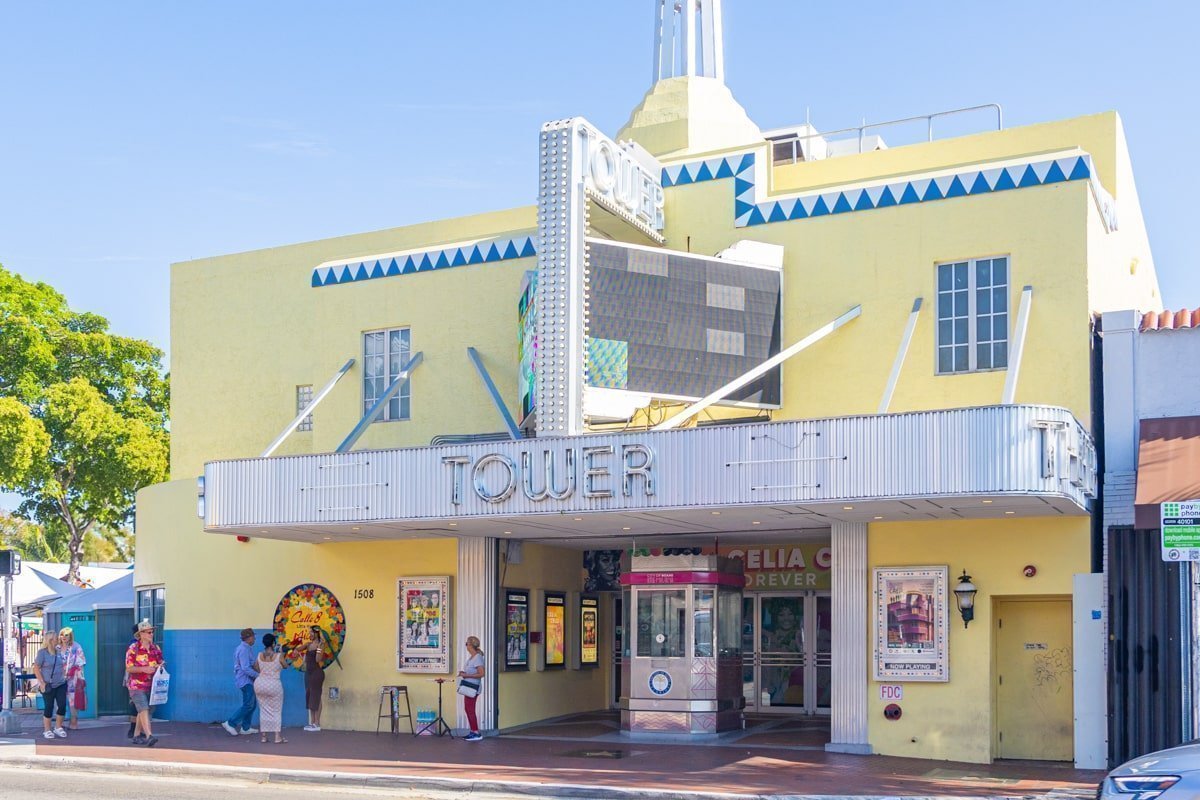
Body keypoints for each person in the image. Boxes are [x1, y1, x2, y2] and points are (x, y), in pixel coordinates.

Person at [124, 619, 162, 747]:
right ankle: (149, 735)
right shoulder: (133, 649)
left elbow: (160, 662)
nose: (151, 634)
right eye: (148, 632)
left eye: (152, 632)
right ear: (141, 634)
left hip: (152, 685)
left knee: (145, 710)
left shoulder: (155, 648)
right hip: (136, 685)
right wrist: (144, 669)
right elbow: (129, 668)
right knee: (144, 708)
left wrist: (159, 666)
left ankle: (136, 735)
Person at [221, 628, 259, 736]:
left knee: (251, 704)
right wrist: (258, 676)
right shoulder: (243, 649)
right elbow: (246, 668)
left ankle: (245, 728)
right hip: (245, 681)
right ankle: (230, 723)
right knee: (248, 705)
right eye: (253, 637)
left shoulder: (246, 648)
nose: (255, 639)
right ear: (249, 638)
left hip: (247, 681)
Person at [33, 630, 68, 740]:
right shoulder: (42, 652)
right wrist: (42, 682)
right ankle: (47, 730)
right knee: (49, 707)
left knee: (62, 705)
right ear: (50, 640)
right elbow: (36, 668)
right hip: (48, 685)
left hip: (61, 683)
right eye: (55, 638)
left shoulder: (59, 651)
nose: (58, 640)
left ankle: (58, 727)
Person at [253, 633, 287, 744]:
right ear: (273, 643)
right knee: (276, 711)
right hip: (274, 685)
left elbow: (256, 668)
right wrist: (282, 653)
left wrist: (265, 672)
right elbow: (285, 666)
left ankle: (264, 737)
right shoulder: (278, 656)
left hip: (260, 684)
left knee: (263, 710)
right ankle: (277, 737)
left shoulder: (259, 655)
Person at [294, 625, 325, 732]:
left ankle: (317, 723)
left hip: (317, 673)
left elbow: (317, 659)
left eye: (311, 632)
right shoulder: (308, 644)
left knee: (316, 696)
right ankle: (312, 722)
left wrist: (320, 647)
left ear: (316, 633)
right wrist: (299, 655)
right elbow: (296, 650)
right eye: (309, 632)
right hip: (308, 673)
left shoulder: (320, 645)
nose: (310, 634)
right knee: (309, 695)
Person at [457, 635, 485, 741]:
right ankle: (473, 731)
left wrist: (467, 676)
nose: (466, 646)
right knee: (468, 709)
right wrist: (464, 673)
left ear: (470, 645)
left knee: (470, 709)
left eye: (466, 644)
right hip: (468, 686)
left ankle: (476, 732)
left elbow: (481, 673)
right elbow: (472, 671)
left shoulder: (477, 657)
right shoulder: (471, 658)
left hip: (473, 687)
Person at [59, 627, 86, 730]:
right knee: (60, 700)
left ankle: (73, 722)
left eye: (66, 635)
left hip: (73, 677)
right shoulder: (57, 647)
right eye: (62, 634)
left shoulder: (76, 647)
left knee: (72, 701)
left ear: (70, 636)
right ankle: (59, 723)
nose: (64, 637)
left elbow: (81, 663)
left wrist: (78, 677)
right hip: (59, 678)